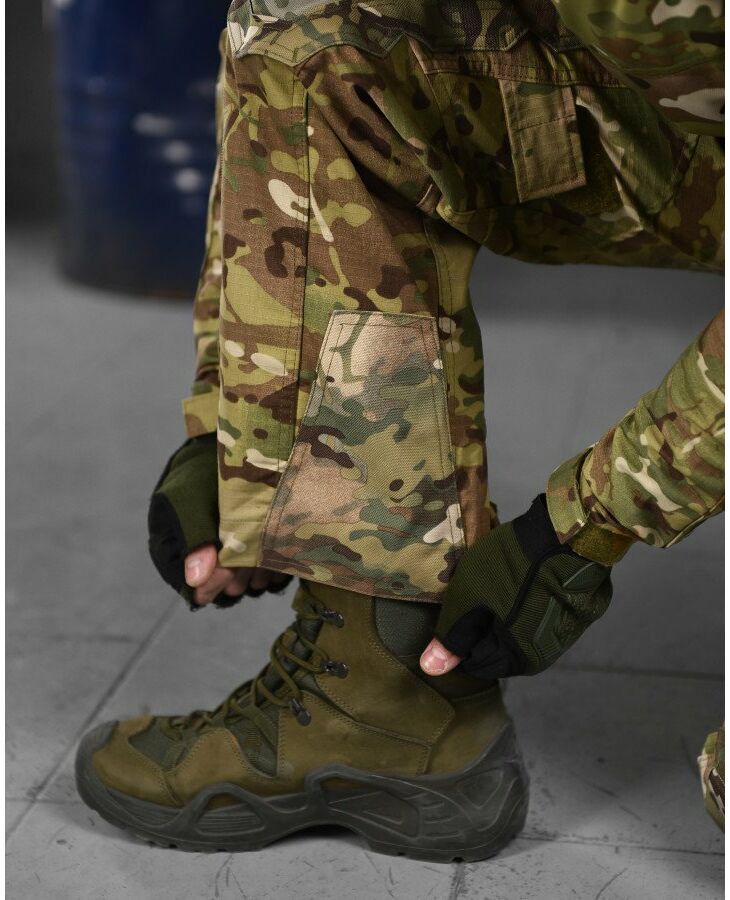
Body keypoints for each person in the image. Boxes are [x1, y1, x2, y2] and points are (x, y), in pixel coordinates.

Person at [75, 0, 724, 858]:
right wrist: (240, 427)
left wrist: (585, 525)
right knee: (314, 44)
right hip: (670, 133)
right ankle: (377, 704)